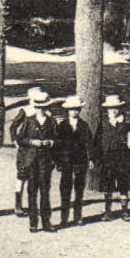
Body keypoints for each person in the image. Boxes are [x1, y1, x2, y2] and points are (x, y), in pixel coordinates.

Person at [9, 87, 56, 232]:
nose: (41, 110)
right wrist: (31, 142)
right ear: (35, 107)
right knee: (32, 191)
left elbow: (57, 139)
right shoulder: (29, 121)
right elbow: (21, 138)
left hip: (45, 160)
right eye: (38, 107)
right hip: (31, 160)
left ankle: (46, 222)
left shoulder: (51, 121)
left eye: (44, 107)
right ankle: (33, 223)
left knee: (45, 191)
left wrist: (50, 142)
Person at [51, 96, 92, 228]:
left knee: (79, 189)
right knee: (65, 189)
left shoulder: (84, 125)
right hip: (66, 160)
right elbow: (57, 145)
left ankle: (78, 216)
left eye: (77, 109)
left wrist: (90, 158)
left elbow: (89, 143)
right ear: (67, 111)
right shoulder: (62, 125)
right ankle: (64, 218)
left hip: (80, 160)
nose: (74, 112)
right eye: (71, 110)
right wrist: (58, 161)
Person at [95, 93, 130, 221]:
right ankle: (108, 211)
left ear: (120, 108)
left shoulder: (126, 122)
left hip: (122, 157)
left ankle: (125, 211)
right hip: (107, 157)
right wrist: (97, 156)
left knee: (123, 183)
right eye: (110, 108)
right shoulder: (103, 123)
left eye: (115, 108)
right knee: (108, 184)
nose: (113, 110)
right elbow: (97, 140)